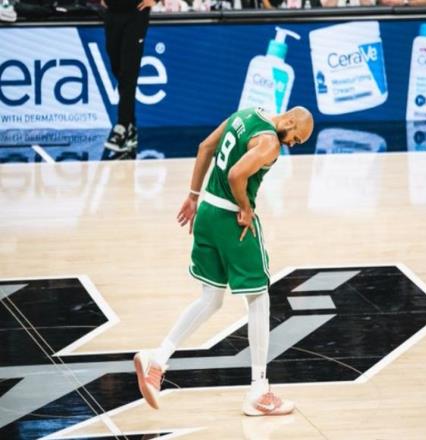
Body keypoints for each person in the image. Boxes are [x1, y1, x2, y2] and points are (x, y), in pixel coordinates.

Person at [134, 106, 314, 416]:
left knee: (211, 298)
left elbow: (205, 146)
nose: (293, 144)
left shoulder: (246, 114)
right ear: (289, 120)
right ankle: (258, 390)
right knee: (259, 298)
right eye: (296, 138)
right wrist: (245, 208)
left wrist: (193, 195)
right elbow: (235, 175)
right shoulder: (270, 141)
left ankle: (158, 358)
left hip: (206, 211)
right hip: (231, 220)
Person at [102, 0, 155, 152]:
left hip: (135, 13)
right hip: (112, 12)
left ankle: (122, 126)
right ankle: (130, 128)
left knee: (128, 72)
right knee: (117, 68)